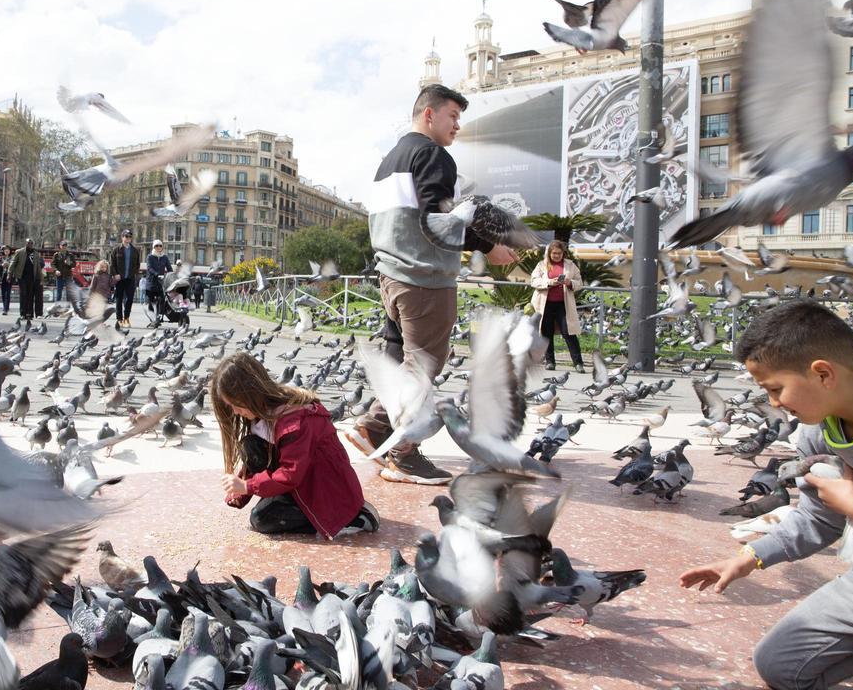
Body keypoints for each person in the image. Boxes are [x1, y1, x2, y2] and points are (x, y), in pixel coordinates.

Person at [679, 300, 853, 690]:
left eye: (775, 389)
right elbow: (817, 519)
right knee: (779, 663)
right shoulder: (817, 433)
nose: (774, 404)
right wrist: (748, 558)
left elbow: (848, 508)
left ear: (823, 373)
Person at [350, 83, 516, 485]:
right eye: (452, 116)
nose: (457, 125)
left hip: (391, 275)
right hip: (424, 280)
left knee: (400, 362)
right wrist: (488, 246)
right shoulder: (433, 155)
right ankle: (402, 453)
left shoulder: (390, 159)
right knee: (422, 368)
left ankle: (375, 430)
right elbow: (437, 221)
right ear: (429, 115)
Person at [212, 353, 379, 539]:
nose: (235, 412)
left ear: (251, 395)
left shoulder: (295, 421)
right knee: (251, 446)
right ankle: (297, 504)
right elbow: (259, 460)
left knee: (261, 519)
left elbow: (291, 473)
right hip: (304, 482)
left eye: (236, 405)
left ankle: (351, 516)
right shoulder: (262, 412)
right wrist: (240, 492)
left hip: (327, 491)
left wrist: (248, 486)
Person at [529, 239, 585, 372]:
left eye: (559, 253)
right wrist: (549, 282)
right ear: (549, 253)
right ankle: (550, 362)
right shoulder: (541, 265)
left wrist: (569, 282)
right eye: (554, 253)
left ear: (563, 253)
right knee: (546, 332)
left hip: (563, 305)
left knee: (569, 332)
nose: (556, 256)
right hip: (545, 304)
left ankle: (578, 363)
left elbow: (579, 282)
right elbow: (534, 281)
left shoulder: (570, 265)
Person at [109, 229, 140, 328]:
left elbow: (137, 264)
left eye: (130, 236)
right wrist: (115, 274)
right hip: (120, 278)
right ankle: (119, 319)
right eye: (126, 236)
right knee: (119, 299)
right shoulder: (116, 249)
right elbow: (112, 264)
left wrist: (134, 273)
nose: (128, 238)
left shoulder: (135, 250)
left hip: (130, 278)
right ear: (122, 237)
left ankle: (126, 318)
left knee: (130, 299)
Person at [10, 238, 45, 322]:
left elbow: (38, 267)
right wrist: (9, 273)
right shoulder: (19, 252)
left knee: (30, 295)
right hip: (22, 277)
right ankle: (22, 313)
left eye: (31, 243)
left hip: (32, 277)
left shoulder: (36, 254)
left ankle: (29, 314)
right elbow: (13, 262)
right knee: (23, 294)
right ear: (25, 243)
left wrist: (41, 278)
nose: (30, 244)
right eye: (28, 243)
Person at [145, 239, 173, 322]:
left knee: (161, 299)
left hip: (161, 282)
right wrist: (156, 274)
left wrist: (171, 276)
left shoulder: (164, 257)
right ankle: (152, 318)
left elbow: (169, 268)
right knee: (151, 301)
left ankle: (159, 316)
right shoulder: (150, 256)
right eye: (156, 245)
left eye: (160, 245)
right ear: (154, 247)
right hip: (151, 282)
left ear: (162, 247)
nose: (158, 247)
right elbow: (149, 268)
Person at [52, 241, 78, 309]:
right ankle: (57, 306)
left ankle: (67, 307)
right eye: (63, 245)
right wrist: (56, 270)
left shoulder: (70, 255)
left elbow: (74, 264)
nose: (64, 247)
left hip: (68, 276)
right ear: (60, 246)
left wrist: (69, 263)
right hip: (59, 276)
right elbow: (53, 264)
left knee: (68, 292)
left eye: (65, 245)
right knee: (59, 292)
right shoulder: (56, 255)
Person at [0, 245, 13, 315]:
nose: (6, 251)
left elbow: (16, 268)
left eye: (8, 250)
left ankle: (5, 309)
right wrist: (1, 265)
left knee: (7, 293)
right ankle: (5, 307)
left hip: (9, 277)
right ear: (3, 251)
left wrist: (9, 265)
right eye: (5, 250)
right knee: (3, 293)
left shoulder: (12, 259)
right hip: (2, 278)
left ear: (10, 251)